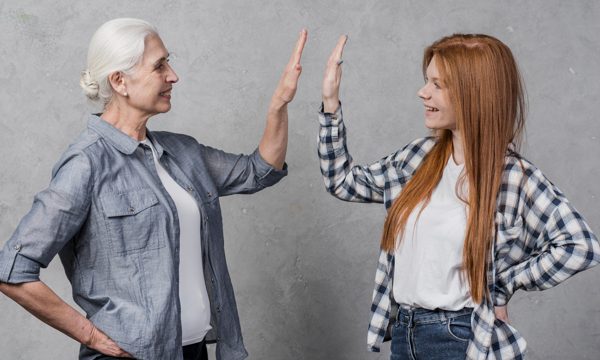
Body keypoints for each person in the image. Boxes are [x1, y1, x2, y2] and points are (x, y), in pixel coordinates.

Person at [0, 18, 307, 360]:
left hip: (194, 352)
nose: (173, 75)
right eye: (159, 65)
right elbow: (13, 271)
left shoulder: (185, 154)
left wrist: (279, 104)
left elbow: (259, 171)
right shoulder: (86, 164)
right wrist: (92, 335)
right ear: (120, 81)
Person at [318, 34, 599, 359]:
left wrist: (501, 285)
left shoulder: (513, 177)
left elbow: (581, 246)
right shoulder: (417, 159)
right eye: (427, 81)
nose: (423, 93)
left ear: (472, 93)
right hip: (404, 334)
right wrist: (330, 104)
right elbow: (343, 181)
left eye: (438, 84)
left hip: (459, 339)